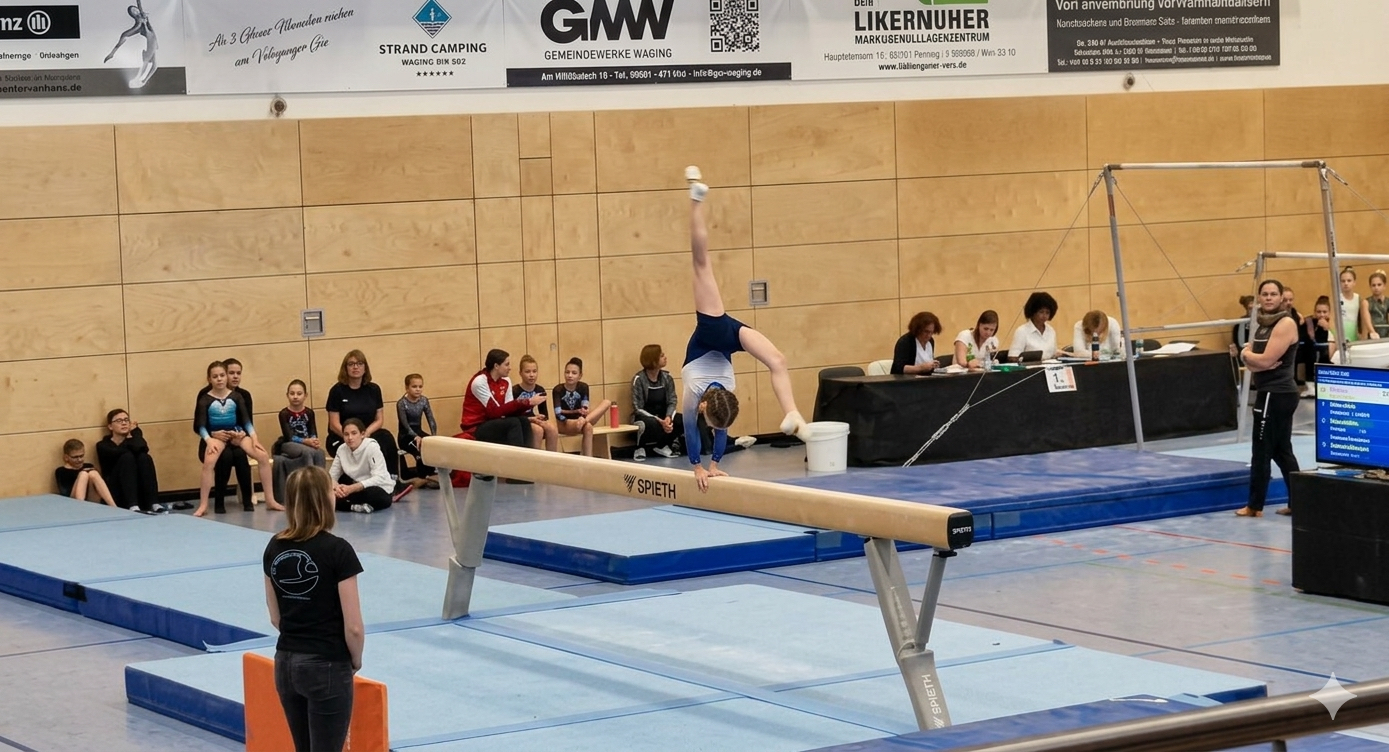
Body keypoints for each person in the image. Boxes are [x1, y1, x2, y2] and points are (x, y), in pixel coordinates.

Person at [681, 167, 810, 491]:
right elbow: (707, 427)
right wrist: (704, 466)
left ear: (705, 407)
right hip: (719, 334)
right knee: (701, 263)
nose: (714, 429)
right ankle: (792, 413)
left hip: (715, 336)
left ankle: (696, 199)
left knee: (778, 360)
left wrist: (704, 466)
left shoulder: (698, 395)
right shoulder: (718, 400)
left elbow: (694, 429)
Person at [263, 465, 364, 752]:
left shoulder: (274, 547)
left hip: (285, 663)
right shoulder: (338, 550)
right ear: (324, 500)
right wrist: (355, 659)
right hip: (326, 664)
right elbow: (353, 627)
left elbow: (275, 617)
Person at [1235, 280, 1301, 518]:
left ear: (1282, 297)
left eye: (1274, 294)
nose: (1269, 298)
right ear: (1259, 298)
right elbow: (1256, 363)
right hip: (1270, 392)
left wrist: (1246, 353)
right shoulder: (1263, 324)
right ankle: (1300, 502)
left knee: (1262, 449)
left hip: (1276, 394)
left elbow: (1262, 361)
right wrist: (1252, 358)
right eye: (1265, 294)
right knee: (1282, 450)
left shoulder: (1285, 324)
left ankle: (1255, 506)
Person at [193, 361, 281, 517]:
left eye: (222, 375)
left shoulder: (237, 396)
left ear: (225, 377)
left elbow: (247, 421)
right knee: (209, 462)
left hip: (237, 433)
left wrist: (254, 438)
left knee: (263, 456)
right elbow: (200, 425)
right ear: (209, 379)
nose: (219, 379)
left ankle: (270, 500)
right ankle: (204, 504)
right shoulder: (205, 398)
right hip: (216, 436)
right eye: (215, 376)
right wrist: (209, 439)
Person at [325, 350, 403, 482]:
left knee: (386, 438)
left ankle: (392, 480)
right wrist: (353, 436)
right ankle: (359, 483)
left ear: (365, 367)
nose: (355, 367)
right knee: (359, 447)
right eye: (351, 364)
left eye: (360, 363)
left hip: (366, 434)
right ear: (345, 368)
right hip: (342, 436)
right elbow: (333, 424)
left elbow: (379, 420)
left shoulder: (374, 389)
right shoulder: (337, 391)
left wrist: (365, 434)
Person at [195, 357, 253, 512]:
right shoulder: (206, 395)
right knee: (225, 457)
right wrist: (212, 435)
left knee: (240, 456)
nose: (235, 377)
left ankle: (248, 501)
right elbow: (198, 425)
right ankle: (218, 501)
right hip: (212, 440)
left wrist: (239, 435)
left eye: (238, 373)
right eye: (231, 373)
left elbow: (247, 422)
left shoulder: (242, 395)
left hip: (235, 439)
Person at [461, 349, 545, 449]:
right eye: (507, 364)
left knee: (523, 420)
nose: (510, 368)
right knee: (513, 423)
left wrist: (529, 418)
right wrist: (528, 402)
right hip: (477, 427)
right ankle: (515, 456)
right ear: (496, 366)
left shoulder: (506, 380)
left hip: (495, 422)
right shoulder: (480, 382)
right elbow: (495, 411)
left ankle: (526, 455)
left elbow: (509, 410)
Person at [95, 409, 164, 513]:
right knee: (127, 458)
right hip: (116, 491)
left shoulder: (133, 441)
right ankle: (132, 505)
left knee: (144, 457)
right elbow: (120, 452)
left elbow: (143, 448)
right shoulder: (103, 445)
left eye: (126, 420)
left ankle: (153, 503)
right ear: (110, 426)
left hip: (137, 488)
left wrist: (136, 433)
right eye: (119, 421)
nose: (124, 423)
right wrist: (133, 436)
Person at [274, 380, 327, 504]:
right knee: (307, 452)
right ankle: (308, 490)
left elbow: (313, 430)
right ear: (287, 395)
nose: (295, 396)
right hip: (289, 444)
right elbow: (289, 436)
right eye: (292, 393)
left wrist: (314, 440)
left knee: (320, 453)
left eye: (299, 393)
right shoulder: (284, 414)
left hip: (307, 442)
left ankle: (321, 489)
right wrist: (306, 441)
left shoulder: (309, 412)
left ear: (305, 395)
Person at [329, 419, 395, 513]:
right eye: (346, 434)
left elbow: (379, 478)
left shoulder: (372, 447)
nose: (350, 438)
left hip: (376, 487)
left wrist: (352, 488)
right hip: (354, 489)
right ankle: (354, 507)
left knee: (375, 495)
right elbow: (331, 476)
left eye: (354, 433)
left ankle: (347, 505)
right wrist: (337, 488)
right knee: (326, 493)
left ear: (362, 434)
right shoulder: (341, 449)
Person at [553, 357, 614, 457]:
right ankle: (588, 459)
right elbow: (558, 414)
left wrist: (583, 417)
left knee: (607, 402)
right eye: (567, 372)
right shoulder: (558, 389)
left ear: (580, 375)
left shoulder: (583, 387)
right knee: (588, 426)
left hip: (582, 420)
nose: (570, 375)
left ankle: (588, 458)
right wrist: (577, 413)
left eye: (574, 373)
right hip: (565, 423)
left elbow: (585, 408)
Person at [631, 344, 682, 460]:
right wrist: (658, 419)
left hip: (663, 415)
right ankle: (640, 448)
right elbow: (637, 407)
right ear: (653, 360)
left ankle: (662, 446)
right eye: (662, 356)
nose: (665, 358)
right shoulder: (639, 379)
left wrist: (668, 417)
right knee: (651, 423)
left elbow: (672, 400)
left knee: (681, 420)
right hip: (645, 417)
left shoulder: (667, 377)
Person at [396, 374, 439, 489]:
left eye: (420, 386)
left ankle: (430, 475)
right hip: (405, 435)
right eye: (414, 386)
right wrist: (415, 436)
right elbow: (405, 425)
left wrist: (434, 436)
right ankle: (422, 478)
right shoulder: (402, 403)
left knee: (430, 444)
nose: (418, 389)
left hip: (418, 432)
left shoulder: (424, 400)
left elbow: (431, 419)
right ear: (407, 388)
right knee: (419, 448)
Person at [512, 354, 558, 453]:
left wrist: (541, 418)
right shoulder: (514, 391)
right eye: (527, 371)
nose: (531, 375)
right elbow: (512, 415)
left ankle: (552, 459)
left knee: (552, 428)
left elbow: (545, 414)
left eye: (534, 371)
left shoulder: (540, 390)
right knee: (538, 430)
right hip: (521, 421)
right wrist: (531, 419)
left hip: (534, 418)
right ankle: (535, 460)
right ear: (520, 373)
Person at [55, 439, 117, 507]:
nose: (79, 460)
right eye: (75, 457)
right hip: (73, 501)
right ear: (66, 457)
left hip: (91, 499)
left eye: (81, 456)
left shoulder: (88, 466)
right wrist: (82, 475)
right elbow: (65, 492)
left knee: (93, 473)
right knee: (83, 474)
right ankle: (81, 507)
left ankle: (114, 507)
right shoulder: (61, 471)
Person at [1301, 296, 1339, 396]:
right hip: (1312, 351)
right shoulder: (1310, 322)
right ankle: (1310, 386)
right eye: (1319, 312)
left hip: (1328, 352)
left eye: (1324, 312)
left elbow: (1337, 339)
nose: (1322, 315)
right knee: (1311, 355)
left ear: (1329, 312)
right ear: (1314, 312)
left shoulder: (1333, 323)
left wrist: (1328, 328)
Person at [1007, 292, 1060, 360]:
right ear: (1033, 312)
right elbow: (1013, 357)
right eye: (1041, 312)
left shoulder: (1051, 331)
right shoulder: (1022, 331)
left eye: (1047, 312)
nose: (1044, 316)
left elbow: (1054, 355)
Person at [1338, 267, 1361, 343]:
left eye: (1349, 280)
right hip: (1338, 336)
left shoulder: (1358, 298)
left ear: (1354, 282)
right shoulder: (1336, 298)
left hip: (1354, 335)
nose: (1346, 283)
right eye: (1343, 281)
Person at [1363, 270, 1388, 339]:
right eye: (1373, 285)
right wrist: (1372, 332)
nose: (1376, 287)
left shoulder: (1387, 301)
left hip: (1386, 334)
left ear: (1384, 286)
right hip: (1373, 335)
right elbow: (1367, 319)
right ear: (1370, 286)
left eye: (1379, 285)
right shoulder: (1366, 302)